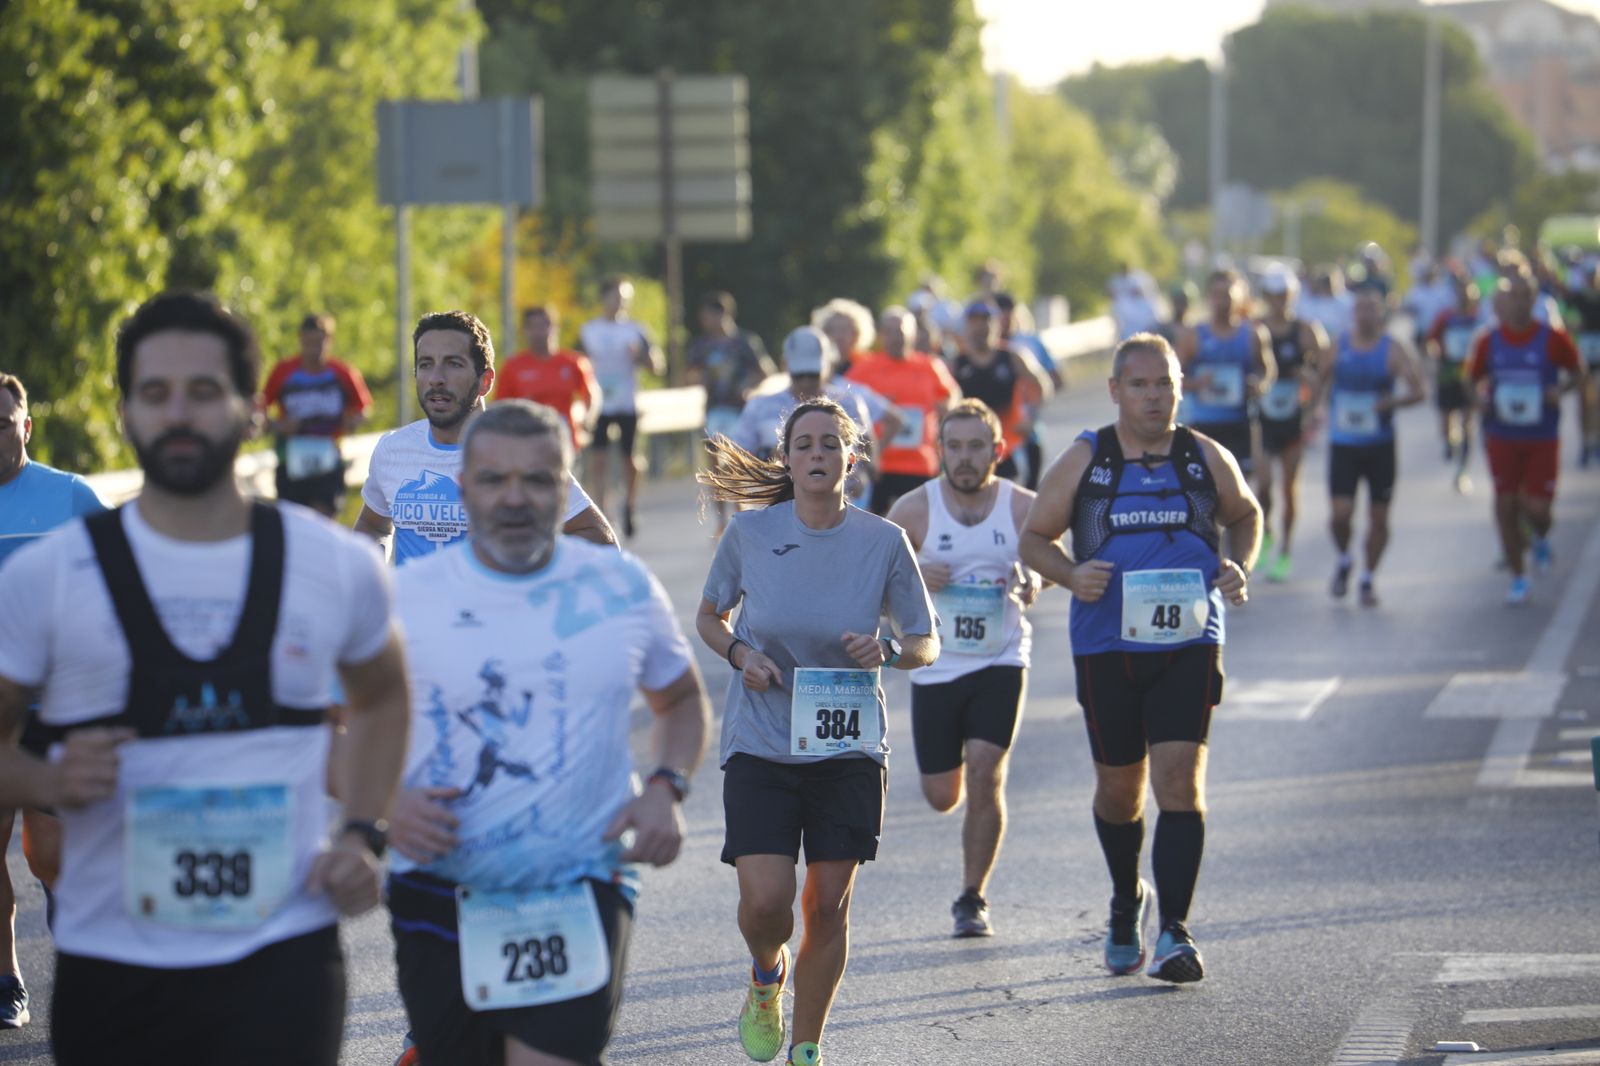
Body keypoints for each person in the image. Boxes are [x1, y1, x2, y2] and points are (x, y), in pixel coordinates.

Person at [0, 291, 410, 1066]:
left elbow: (385, 697)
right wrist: (42, 773)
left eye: (204, 391)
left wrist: (363, 831)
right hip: (114, 965)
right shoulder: (53, 576)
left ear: (254, 410)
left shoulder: (333, 565)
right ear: (124, 412)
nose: (179, 414)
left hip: (282, 956)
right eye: (156, 393)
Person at [383, 400, 709, 1066]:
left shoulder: (617, 586)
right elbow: (336, 725)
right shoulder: (405, 598)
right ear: (463, 486)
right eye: (494, 479)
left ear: (567, 486)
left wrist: (665, 787)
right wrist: (385, 802)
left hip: (579, 882)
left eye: (537, 479)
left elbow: (679, 700)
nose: (515, 498)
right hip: (438, 888)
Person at [696, 398, 938, 1066]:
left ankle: (807, 1047)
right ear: (787, 458)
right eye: (804, 444)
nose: (817, 455)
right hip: (763, 739)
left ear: (851, 459)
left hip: (846, 741)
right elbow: (711, 619)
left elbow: (925, 642)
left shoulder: (883, 542)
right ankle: (765, 973)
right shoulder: (749, 535)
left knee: (828, 903)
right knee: (768, 900)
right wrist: (742, 656)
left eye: (830, 444)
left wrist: (888, 651)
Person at [1019, 332, 1261, 985]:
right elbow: (1034, 539)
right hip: (1108, 646)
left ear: (1182, 388)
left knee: (1179, 783)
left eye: (1165, 384)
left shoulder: (1203, 456)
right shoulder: (1087, 459)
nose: (1154, 397)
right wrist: (1071, 576)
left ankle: (1175, 932)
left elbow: (1245, 514)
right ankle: (1128, 899)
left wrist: (1239, 564)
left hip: (1190, 639)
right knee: (1120, 789)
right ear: (1116, 390)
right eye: (1141, 385)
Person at [887, 399, 1039, 938]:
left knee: (985, 771)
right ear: (940, 450)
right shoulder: (913, 511)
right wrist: (914, 578)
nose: (965, 457)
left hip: (1001, 656)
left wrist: (1032, 582)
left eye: (977, 446)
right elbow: (869, 585)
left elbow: (1048, 562)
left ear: (998, 450)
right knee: (942, 795)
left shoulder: (1023, 508)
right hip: (935, 665)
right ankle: (967, 863)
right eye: (955, 446)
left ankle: (973, 896)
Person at [0, 373, 108, 1030]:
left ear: (26, 426)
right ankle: (7, 976)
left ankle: (70, 924)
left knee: (49, 854)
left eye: (3, 421)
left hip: (51, 710)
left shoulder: (69, 498)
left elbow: (125, 582)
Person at [355, 309, 616, 561]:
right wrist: (371, 576)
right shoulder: (393, 449)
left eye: (453, 364)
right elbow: (373, 526)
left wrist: (521, 556)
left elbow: (600, 541)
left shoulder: (520, 453)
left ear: (486, 381)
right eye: (425, 364)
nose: (436, 378)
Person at [1466, 270, 1588, 605]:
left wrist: (1559, 392)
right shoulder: (1490, 340)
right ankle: (1518, 578)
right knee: (1505, 503)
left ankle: (1540, 536)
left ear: (1535, 300)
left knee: (1537, 509)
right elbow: (1471, 378)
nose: (1520, 302)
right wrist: (1479, 400)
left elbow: (1579, 372)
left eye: (1526, 296)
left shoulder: (1552, 337)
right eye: (1514, 295)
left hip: (1541, 436)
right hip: (1502, 435)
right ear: (1506, 300)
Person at [1311, 286, 1427, 608]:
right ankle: (1346, 558)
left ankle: (1367, 578)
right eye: (1359, 309)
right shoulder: (1339, 346)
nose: (1364, 315)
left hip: (1380, 447)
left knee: (1379, 519)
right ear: (1353, 314)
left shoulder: (1393, 349)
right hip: (1344, 444)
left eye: (1370, 309)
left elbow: (1419, 392)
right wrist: (1312, 415)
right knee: (1339, 515)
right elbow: (1319, 383)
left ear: (1380, 314)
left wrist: (1393, 402)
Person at [728, 327, 880, 509]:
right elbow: (738, 457)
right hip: (778, 510)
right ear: (785, 365)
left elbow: (868, 446)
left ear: (828, 365)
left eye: (813, 375)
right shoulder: (760, 407)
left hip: (841, 510)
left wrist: (863, 474)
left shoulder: (849, 403)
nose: (806, 382)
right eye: (800, 375)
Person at [846, 306, 961, 515]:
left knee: (920, 527)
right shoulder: (865, 367)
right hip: (880, 464)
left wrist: (947, 408)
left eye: (900, 331)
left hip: (919, 464)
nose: (894, 337)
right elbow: (842, 400)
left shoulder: (930, 366)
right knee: (876, 527)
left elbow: (953, 394)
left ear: (913, 334)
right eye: (888, 332)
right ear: (880, 335)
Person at [259, 313, 373, 517]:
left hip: (328, 457)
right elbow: (258, 410)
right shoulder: (283, 372)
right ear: (301, 339)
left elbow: (364, 408)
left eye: (321, 341)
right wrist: (278, 425)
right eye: (310, 341)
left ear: (330, 340)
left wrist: (353, 421)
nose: (315, 348)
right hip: (291, 459)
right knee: (292, 522)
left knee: (325, 520)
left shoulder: (342, 373)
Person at [1254, 270, 1328, 582]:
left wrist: (1313, 396)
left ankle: (1285, 550)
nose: (1278, 302)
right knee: (1263, 484)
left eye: (1283, 296)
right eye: (1272, 296)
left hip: (1294, 416)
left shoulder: (1305, 330)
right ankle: (1265, 531)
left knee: (1289, 488)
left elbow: (1325, 364)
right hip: (1264, 415)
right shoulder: (1255, 329)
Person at [686, 291, 776, 536]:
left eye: (708, 316)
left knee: (735, 463)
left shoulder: (744, 342)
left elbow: (765, 370)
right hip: (714, 409)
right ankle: (720, 520)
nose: (706, 321)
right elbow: (690, 374)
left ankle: (741, 512)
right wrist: (700, 378)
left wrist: (748, 387)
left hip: (739, 411)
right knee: (714, 465)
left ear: (722, 314)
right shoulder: (702, 345)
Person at [579, 276, 663, 538]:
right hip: (599, 403)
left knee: (629, 458)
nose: (620, 303)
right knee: (599, 459)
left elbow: (657, 366)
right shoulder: (589, 330)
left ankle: (630, 505)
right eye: (615, 297)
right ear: (603, 298)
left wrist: (640, 356)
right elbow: (576, 362)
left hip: (627, 402)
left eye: (624, 298)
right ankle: (602, 510)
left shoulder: (636, 329)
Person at [1175, 269, 1276, 482]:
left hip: (1239, 424)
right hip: (1202, 425)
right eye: (1217, 295)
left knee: (1238, 489)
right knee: (1205, 490)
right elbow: (1171, 379)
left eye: (1228, 296)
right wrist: (1197, 383)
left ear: (1240, 298)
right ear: (1209, 297)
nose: (1223, 301)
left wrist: (1259, 384)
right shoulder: (1192, 335)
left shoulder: (1253, 334)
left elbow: (1267, 370)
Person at [952, 301, 1054, 485]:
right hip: (972, 447)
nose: (980, 328)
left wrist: (1031, 418)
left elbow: (1042, 385)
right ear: (967, 327)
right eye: (974, 323)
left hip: (1010, 445)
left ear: (996, 325)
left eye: (985, 322)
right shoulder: (957, 364)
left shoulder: (1012, 356)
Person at [493, 305, 600, 454]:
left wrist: (586, 420)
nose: (539, 332)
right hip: (526, 445)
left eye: (544, 325)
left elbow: (591, 396)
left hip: (565, 444)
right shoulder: (513, 367)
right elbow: (499, 408)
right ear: (525, 331)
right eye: (533, 327)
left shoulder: (573, 363)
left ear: (554, 327)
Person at [1425, 278, 1484, 493]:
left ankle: (1463, 470)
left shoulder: (1479, 318)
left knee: (1468, 423)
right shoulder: (1446, 316)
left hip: (1470, 376)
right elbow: (1431, 340)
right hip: (1448, 373)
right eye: (1460, 295)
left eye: (1467, 296)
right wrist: (1436, 356)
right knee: (1445, 420)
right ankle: (1450, 443)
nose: (1464, 299)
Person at [1565, 263, 1600, 466]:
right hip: (1584, 354)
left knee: (1597, 400)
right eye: (1588, 276)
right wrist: (1574, 325)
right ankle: (1585, 443)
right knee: (1584, 402)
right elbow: (1567, 320)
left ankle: (1596, 441)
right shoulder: (1577, 298)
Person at [814, 299, 874, 378]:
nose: (839, 336)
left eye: (845, 330)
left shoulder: (868, 366)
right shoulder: (816, 364)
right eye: (833, 330)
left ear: (856, 334)